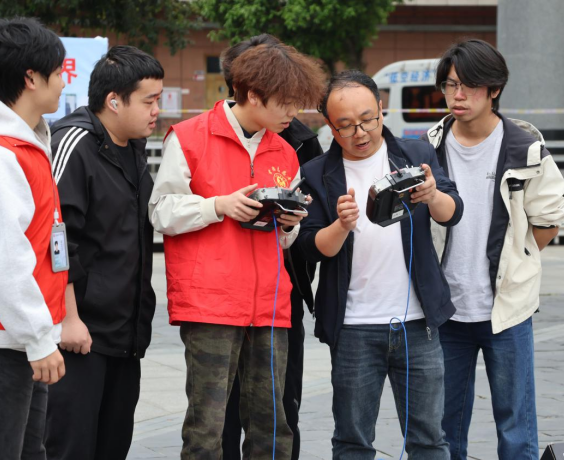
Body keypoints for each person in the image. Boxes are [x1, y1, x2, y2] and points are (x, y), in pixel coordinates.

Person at [148, 41, 325, 459]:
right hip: (210, 304)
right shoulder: (189, 137)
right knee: (206, 427)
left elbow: (285, 240)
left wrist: (289, 224)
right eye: (285, 102)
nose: (293, 113)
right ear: (254, 95)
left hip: (270, 304)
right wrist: (217, 206)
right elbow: (160, 211)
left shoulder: (285, 151)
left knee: (274, 426)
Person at [296, 70, 463, 459]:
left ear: (381, 110)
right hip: (353, 326)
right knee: (352, 441)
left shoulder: (416, 154)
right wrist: (341, 226)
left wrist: (432, 195)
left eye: (368, 119)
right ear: (330, 126)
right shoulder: (317, 173)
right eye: (346, 125)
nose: (360, 133)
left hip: (418, 323)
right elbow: (309, 248)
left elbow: (452, 212)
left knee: (429, 439)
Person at [424, 39, 564, 460]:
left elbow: (548, 221)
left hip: (506, 310)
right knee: (442, 428)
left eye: (469, 85)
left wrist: (514, 261)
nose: (458, 95)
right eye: (451, 85)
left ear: (494, 89)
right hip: (447, 310)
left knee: (515, 426)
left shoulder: (525, 148)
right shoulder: (430, 146)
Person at [44, 45, 162, 460]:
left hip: (124, 335)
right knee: (71, 448)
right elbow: (56, 236)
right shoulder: (74, 143)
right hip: (79, 337)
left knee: (113, 446)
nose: (157, 111)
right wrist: (69, 318)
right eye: (149, 101)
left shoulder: (133, 146)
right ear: (114, 101)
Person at [0, 17, 68, 459]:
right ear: (31, 78)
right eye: (58, 72)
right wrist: (38, 337)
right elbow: (4, 259)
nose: (63, 82)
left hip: (17, 337)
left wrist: (40, 335)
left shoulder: (23, 144)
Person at [219, 34, 323, 460]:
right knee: (220, 410)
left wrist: (293, 222)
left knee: (280, 407)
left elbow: (311, 220)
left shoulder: (298, 141)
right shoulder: (203, 136)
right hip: (222, 295)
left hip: (281, 294)